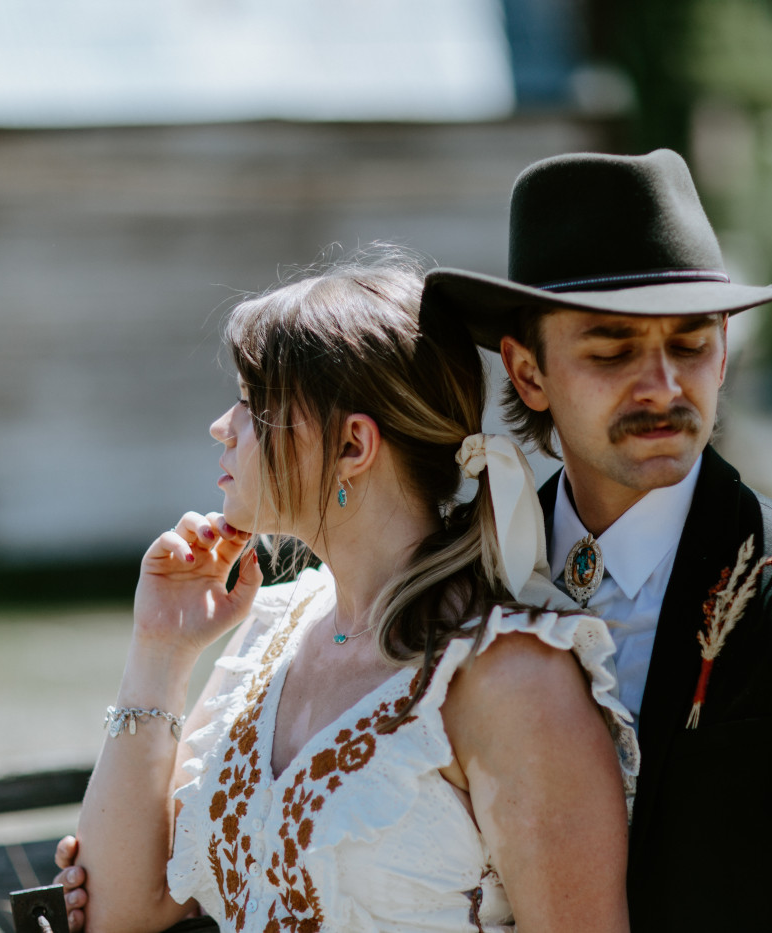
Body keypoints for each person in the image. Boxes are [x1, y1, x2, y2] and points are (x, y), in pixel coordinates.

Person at [416, 149, 772, 930]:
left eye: (692, 344)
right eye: (611, 350)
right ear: (529, 373)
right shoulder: (462, 578)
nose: (664, 386)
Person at [62, 252, 637, 933]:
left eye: (252, 404)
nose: (224, 426)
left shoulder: (508, 676)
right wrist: (159, 647)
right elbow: (118, 912)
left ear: (353, 446)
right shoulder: (272, 632)